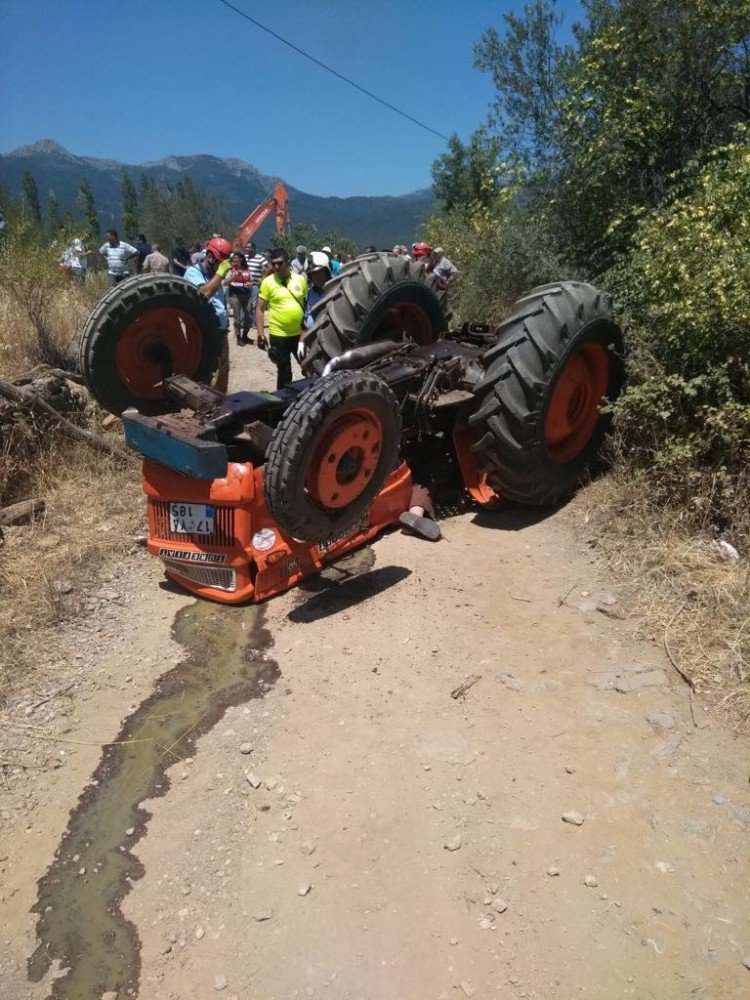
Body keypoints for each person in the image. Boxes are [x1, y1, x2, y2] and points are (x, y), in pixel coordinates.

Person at [183, 236, 233, 393]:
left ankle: (220, 405)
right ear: (210, 257)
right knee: (204, 376)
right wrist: (220, 274)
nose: (222, 267)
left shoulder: (215, 276)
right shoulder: (192, 272)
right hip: (203, 334)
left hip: (220, 331)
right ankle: (203, 411)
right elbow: (204, 293)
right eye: (220, 262)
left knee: (222, 373)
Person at [256, 247, 308, 390]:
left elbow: (306, 307)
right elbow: (260, 309)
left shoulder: (300, 280)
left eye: (280, 263)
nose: (276, 267)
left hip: (299, 335)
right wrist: (260, 334)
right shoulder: (268, 282)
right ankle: (282, 403)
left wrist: (306, 330)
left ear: (288, 262)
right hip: (278, 335)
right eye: (273, 264)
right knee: (284, 371)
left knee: (308, 367)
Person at [224, 250, 253, 345]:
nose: (233, 260)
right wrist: (233, 277)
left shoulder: (247, 269)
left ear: (241, 259)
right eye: (233, 258)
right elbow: (225, 282)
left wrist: (250, 283)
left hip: (246, 294)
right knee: (237, 318)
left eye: (235, 258)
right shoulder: (231, 269)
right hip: (235, 295)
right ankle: (238, 338)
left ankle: (245, 336)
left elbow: (252, 281)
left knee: (248, 316)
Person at [301, 251, 332, 332]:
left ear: (327, 271)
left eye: (319, 272)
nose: (316, 277)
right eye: (313, 274)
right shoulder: (310, 293)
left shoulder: (337, 289)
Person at [245, 241, 266, 329]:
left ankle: (254, 323)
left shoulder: (260, 258)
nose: (247, 249)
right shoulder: (244, 257)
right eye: (246, 247)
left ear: (253, 248)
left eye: (249, 247)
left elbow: (267, 268)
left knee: (254, 304)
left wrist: (262, 278)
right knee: (246, 304)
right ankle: (246, 322)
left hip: (255, 285)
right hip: (245, 285)